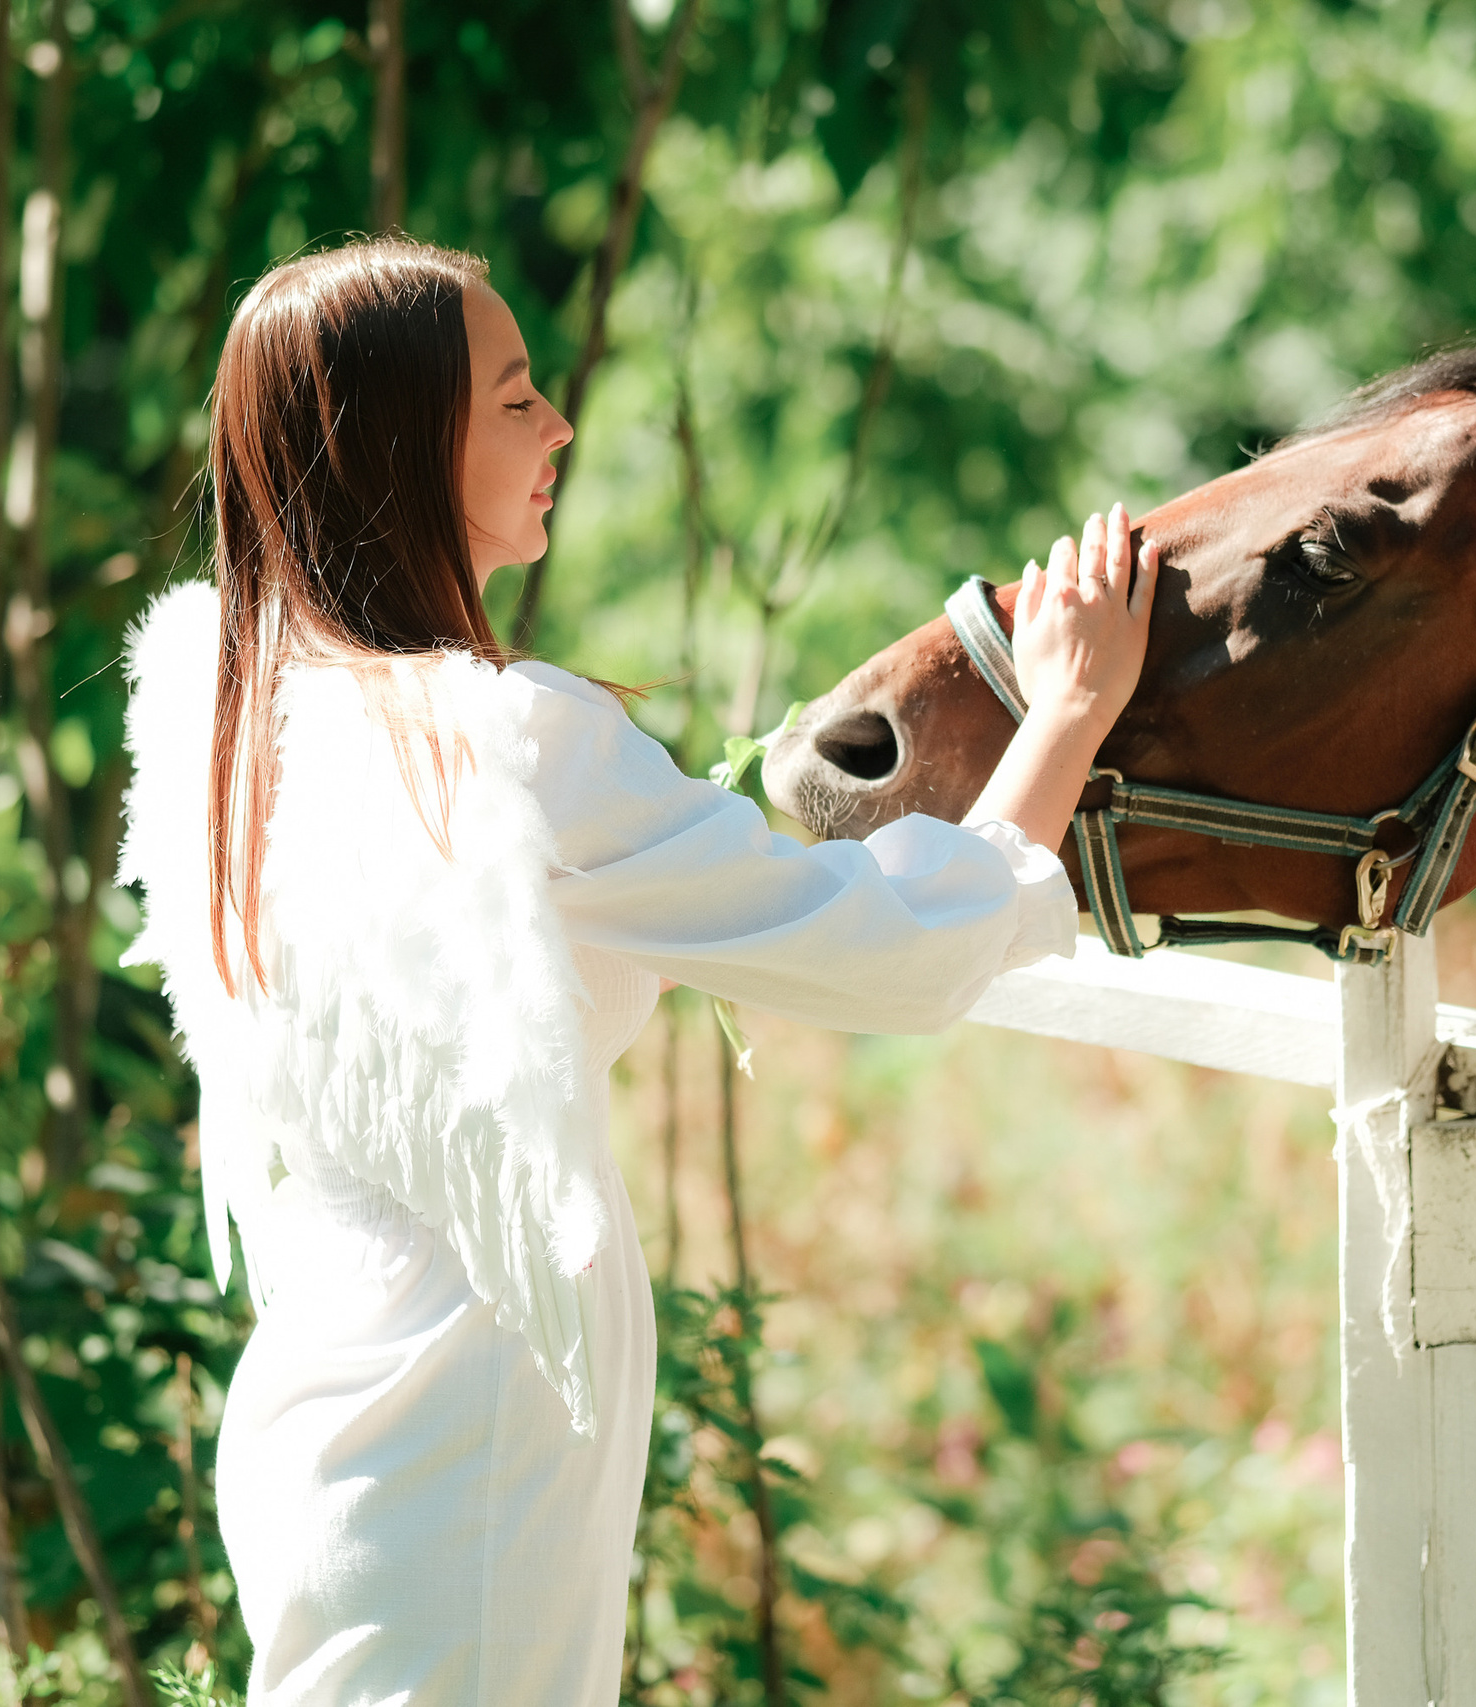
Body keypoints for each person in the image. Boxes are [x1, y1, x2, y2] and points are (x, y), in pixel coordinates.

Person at [117, 238, 1153, 1706]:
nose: (559, 426)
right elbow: (893, 950)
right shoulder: (507, 748)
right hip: (466, 1442)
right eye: (514, 398)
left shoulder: (244, 725)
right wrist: (1071, 708)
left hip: (334, 1415)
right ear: (400, 446)